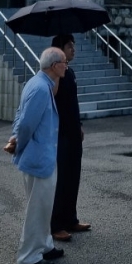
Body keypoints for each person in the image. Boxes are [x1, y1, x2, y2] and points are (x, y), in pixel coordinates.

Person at [3, 47, 68, 264]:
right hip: (39, 157)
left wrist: (15, 138)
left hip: (42, 156)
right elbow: (27, 123)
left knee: (43, 205)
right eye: (64, 62)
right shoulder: (41, 88)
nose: (67, 65)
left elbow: (22, 115)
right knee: (37, 208)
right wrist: (17, 143)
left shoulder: (39, 84)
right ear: (53, 66)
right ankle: (28, 256)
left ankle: (44, 244)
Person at [50, 34, 91, 242]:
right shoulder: (54, 75)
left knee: (74, 176)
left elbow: (73, 105)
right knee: (61, 179)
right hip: (60, 134)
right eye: (69, 46)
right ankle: (55, 224)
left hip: (74, 132)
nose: (73, 49)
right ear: (58, 50)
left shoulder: (70, 72)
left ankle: (70, 219)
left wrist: (79, 125)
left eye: (73, 45)